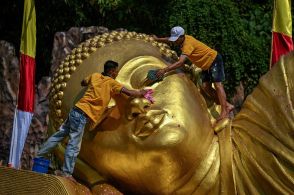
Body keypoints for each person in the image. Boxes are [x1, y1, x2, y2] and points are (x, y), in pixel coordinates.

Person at [35, 60, 147, 181]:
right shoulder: (112, 83)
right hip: (83, 114)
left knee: (59, 135)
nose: (117, 72)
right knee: (74, 144)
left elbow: (83, 82)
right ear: (112, 71)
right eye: (116, 70)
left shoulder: (95, 76)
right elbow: (129, 93)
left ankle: (40, 155)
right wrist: (141, 93)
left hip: (76, 110)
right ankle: (66, 173)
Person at [153, 26, 234, 121]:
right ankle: (227, 105)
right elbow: (169, 39)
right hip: (205, 65)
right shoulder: (180, 39)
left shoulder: (188, 44)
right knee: (206, 87)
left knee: (218, 85)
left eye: (176, 39)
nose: (174, 41)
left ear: (182, 37)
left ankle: (224, 111)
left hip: (213, 60)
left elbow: (180, 62)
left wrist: (164, 70)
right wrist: (157, 39)